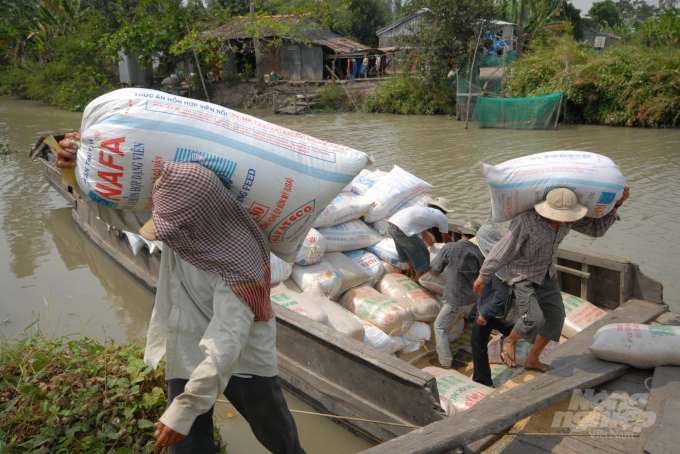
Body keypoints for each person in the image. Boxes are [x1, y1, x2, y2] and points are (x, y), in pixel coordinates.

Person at [56, 137, 305, 453]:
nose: (165, 236)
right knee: (187, 449)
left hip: (245, 363)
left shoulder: (240, 264)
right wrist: (75, 172)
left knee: (281, 441)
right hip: (188, 347)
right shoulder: (185, 228)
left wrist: (185, 408)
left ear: (195, 224)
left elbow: (226, 343)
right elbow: (117, 214)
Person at [473, 186, 630, 372]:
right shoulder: (526, 221)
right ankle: (509, 339)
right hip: (523, 275)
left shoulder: (567, 221)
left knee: (556, 320)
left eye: (568, 216)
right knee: (534, 319)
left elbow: (596, 230)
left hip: (547, 274)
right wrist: (484, 276)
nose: (565, 220)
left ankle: (532, 359)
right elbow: (503, 250)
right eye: (560, 215)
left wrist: (617, 204)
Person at [428, 221, 483, 369]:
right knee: (475, 322)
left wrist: (428, 271)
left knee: (439, 327)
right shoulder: (478, 253)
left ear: (460, 233)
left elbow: (437, 270)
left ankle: (444, 362)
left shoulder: (450, 247)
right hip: (473, 298)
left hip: (455, 299)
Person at [467, 225, 515, 387]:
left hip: (490, 309)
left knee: (478, 343)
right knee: (472, 315)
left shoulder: (497, 266)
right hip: (484, 303)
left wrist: (486, 314)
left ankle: (482, 380)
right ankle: (511, 329)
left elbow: (501, 295)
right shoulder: (497, 257)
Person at [387, 197, 455, 281]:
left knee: (407, 254)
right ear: (445, 212)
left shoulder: (424, 212)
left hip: (391, 226)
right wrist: (455, 250)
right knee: (423, 258)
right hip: (403, 230)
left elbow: (424, 235)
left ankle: (414, 276)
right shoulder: (442, 217)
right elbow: (447, 240)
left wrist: (433, 246)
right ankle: (419, 282)